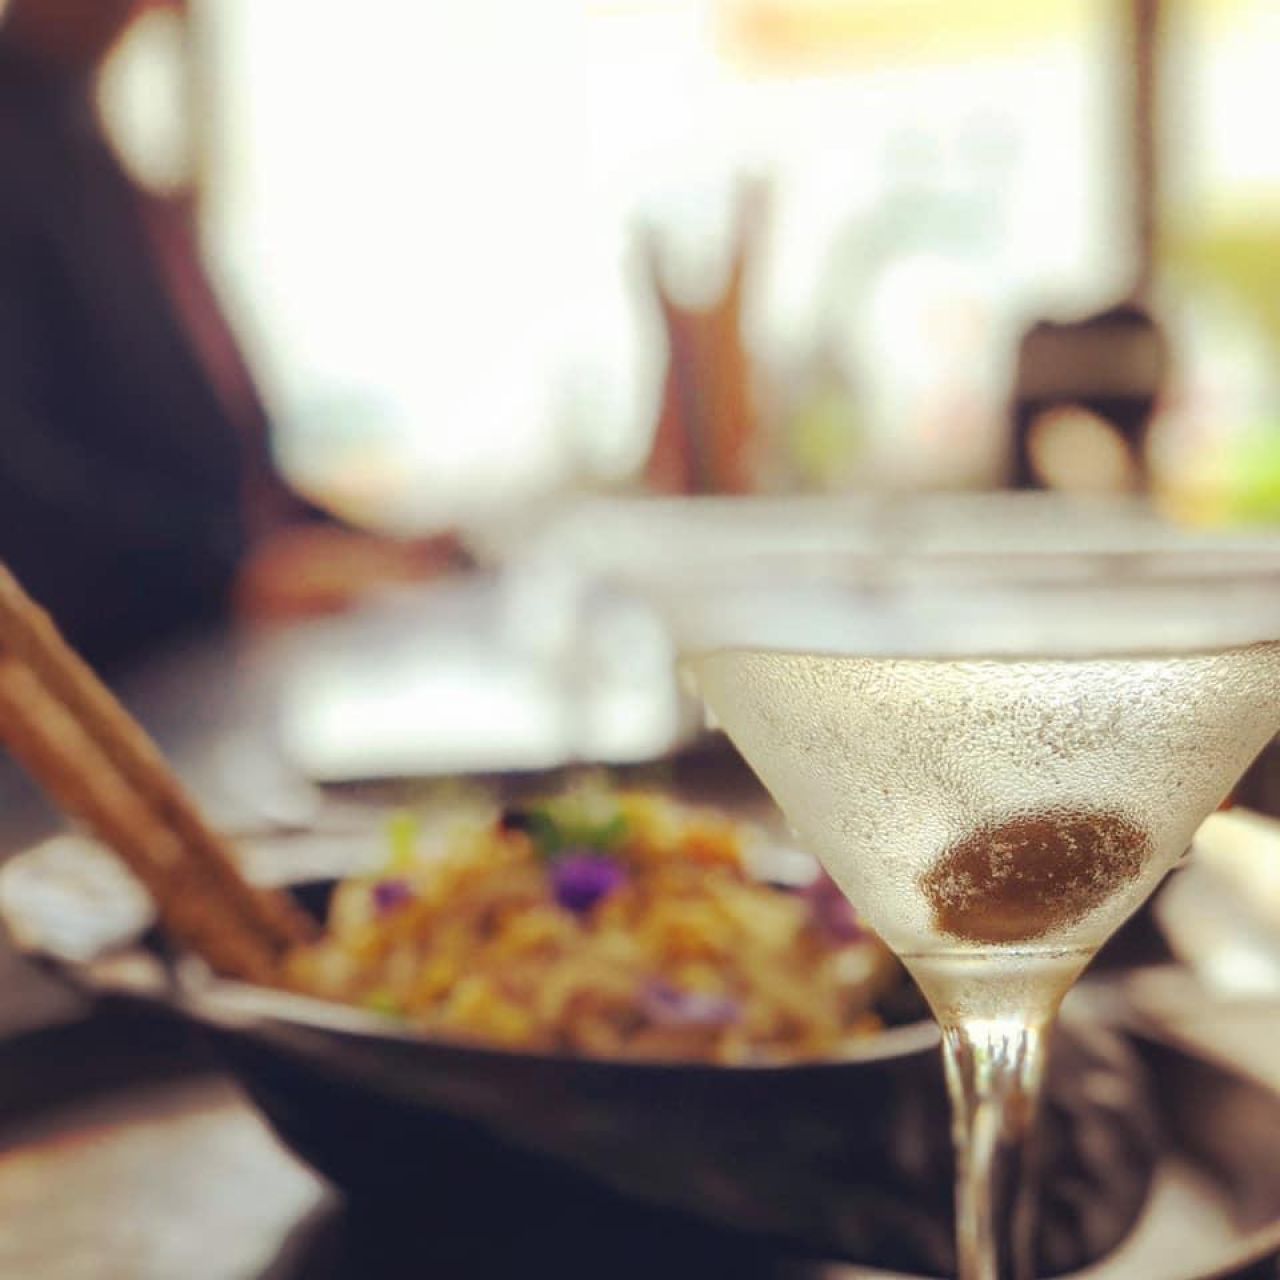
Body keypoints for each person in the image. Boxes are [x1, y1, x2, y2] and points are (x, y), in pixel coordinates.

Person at [0, 0, 454, 673]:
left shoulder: (83, 140)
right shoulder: (23, 149)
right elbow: (22, 488)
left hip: (201, 644)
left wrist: (369, 543)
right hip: (114, 678)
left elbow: (217, 468)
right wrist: (226, 577)